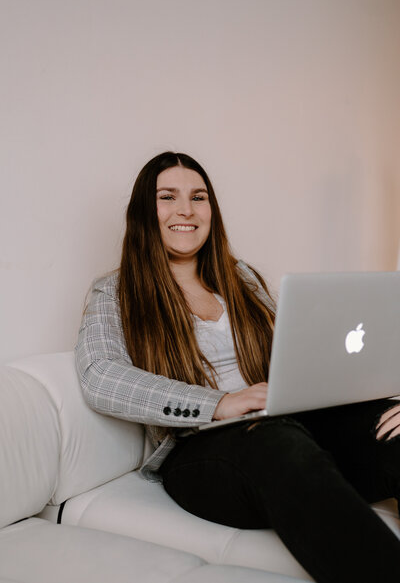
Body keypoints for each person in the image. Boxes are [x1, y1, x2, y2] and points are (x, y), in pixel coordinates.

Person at [75, 151, 400, 582]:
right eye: (167, 197)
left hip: (287, 426)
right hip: (204, 450)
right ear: (143, 211)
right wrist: (218, 403)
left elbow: (296, 355)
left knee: (391, 427)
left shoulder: (240, 277)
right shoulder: (113, 291)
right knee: (279, 442)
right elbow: (100, 375)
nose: (186, 210)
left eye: (199, 197)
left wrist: (376, 399)